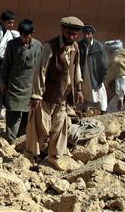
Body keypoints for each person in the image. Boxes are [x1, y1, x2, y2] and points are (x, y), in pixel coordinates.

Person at [26, 16, 84, 171]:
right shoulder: (49, 47)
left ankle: (54, 156)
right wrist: (36, 95)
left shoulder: (75, 48)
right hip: (46, 96)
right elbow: (40, 71)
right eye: (69, 33)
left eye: (74, 35)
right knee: (41, 127)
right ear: (62, 30)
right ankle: (31, 154)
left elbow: (76, 68)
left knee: (59, 127)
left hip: (63, 97)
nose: (71, 37)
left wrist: (78, 88)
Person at [1, 19, 42, 143]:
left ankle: (21, 140)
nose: (24, 39)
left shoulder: (38, 46)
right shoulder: (12, 45)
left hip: (30, 87)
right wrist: (3, 82)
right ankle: (10, 140)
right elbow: (6, 65)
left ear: (32, 33)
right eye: (22, 36)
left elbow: (40, 68)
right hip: (14, 85)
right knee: (13, 113)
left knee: (26, 115)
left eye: (27, 36)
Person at [78, 25, 108, 113]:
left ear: (92, 35)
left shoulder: (99, 46)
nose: (86, 36)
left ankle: (101, 111)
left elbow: (104, 64)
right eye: (84, 34)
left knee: (98, 96)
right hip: (83, 75)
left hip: (95, 77)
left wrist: (102, 78)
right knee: (83, 95)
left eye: (88, 34)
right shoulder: (79, 45)